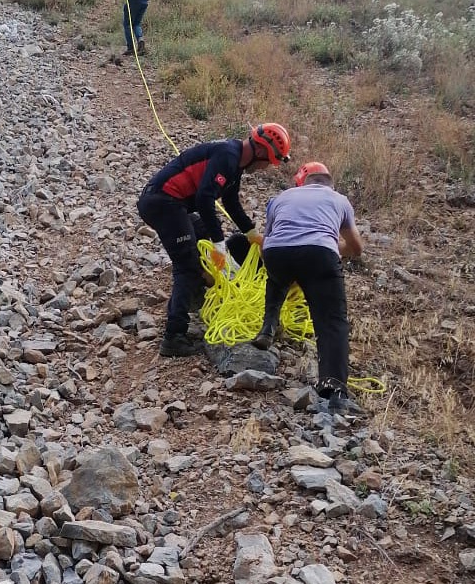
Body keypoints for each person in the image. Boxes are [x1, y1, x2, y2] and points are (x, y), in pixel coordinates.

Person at [137, 123, 292, 357]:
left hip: (173, 204)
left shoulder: (235, 162)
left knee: (200, 233)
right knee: (187, 266)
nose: (265, 168)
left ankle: (197, 295)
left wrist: (252, 235)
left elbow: (231, 203)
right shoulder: (228, 157)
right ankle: (174, 337)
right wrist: (220, 243)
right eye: (269, 162)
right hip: (163, 202)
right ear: (260, 152)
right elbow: (204, 199)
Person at [253, 161, 363, 414]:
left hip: (276, 252)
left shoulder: (281, 197)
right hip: (320, 253)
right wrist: (330, 249)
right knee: (331, 321)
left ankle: (268, 326)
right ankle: (333, 388)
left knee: (278, 279)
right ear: (329, 183)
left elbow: (268, 241)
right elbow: (356, 248)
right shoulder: (339, 200)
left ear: (302, 182)